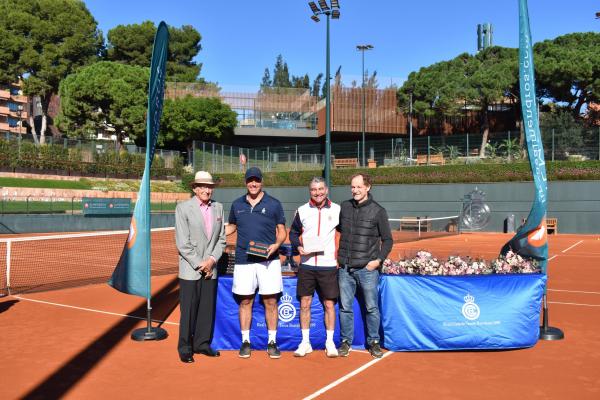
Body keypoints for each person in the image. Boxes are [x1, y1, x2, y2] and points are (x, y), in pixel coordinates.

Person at [226, 167, 287, 359]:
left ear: (261, 182)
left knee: (270, 301)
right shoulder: (236, 204)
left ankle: (272, 342)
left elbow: (282, 230)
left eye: (257, 180)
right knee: (245, 301)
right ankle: (245, 342)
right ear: (245, 182)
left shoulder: (274, 204)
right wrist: (212, 230)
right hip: (244, 261)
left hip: (268, 261)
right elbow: (231, 228)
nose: (253, 184)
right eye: (250, 180)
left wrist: (276, 245)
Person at [337, 173, 393, 358]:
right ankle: (346, 342)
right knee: (345, 308)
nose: (355, 190)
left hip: (367, 270)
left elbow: (387, 240)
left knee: (371, 308)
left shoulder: (378, 211)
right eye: (353, 187)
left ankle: (374, 342)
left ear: (368, 187)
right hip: (345, 268)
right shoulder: (344, 207)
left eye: (359, 187)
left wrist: (377, 261)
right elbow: (336, 229)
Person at [175, 171, 226, 363]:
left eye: (210, 187)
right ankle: (185, 347)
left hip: (211, 269)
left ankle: (202, 344)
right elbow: (182, 243)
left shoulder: (219, 208)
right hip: (190, 270)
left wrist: (212, 260)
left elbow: (221, 239)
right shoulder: (183, 208)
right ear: (195, 189)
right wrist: (200, 263)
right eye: (203, 186)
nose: (207, 190)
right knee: (188, 311)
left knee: (206, 309)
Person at [289, 176, 340, 358]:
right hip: (307, 265)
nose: (317, 193)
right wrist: (298, 246)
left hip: (328, 265)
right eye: (313, 189)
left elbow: (344, 234)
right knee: (305, 303)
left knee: (329, 304)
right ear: (310, 191)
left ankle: (330, 342)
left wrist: (339, 256)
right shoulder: (302, 211)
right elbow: (293, 233)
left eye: (320, 189)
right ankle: (305, 342)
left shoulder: (337, 210)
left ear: (326, 190)